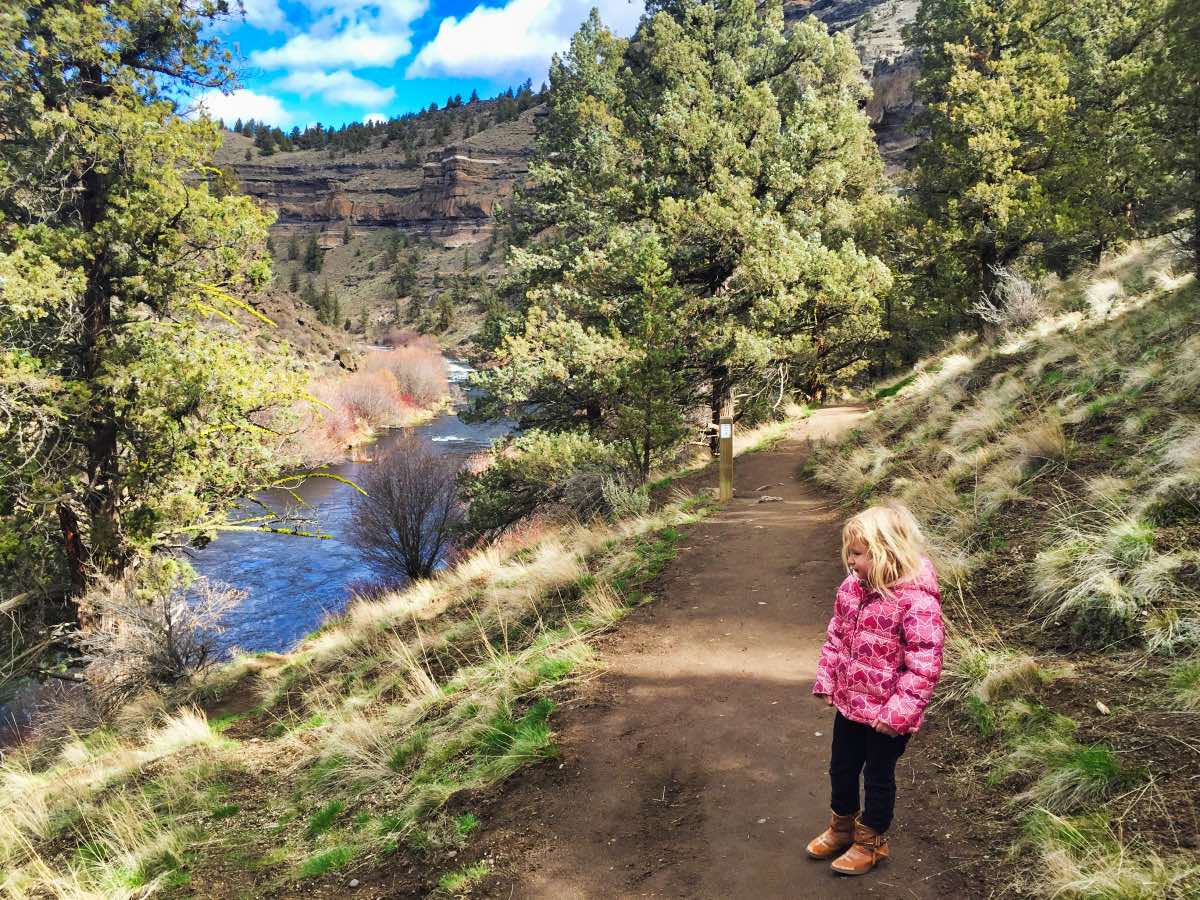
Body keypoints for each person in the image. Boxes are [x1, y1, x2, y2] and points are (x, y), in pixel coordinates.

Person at [807, 503, 944, 876]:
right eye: (849, 553)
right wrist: (827, 678)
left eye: (857, 554)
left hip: (888, 715)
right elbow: (836, 638)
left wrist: (898, 714)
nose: (850, 561)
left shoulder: (917, 602)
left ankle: (871, 841)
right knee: (842, 767)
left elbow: (924, 666)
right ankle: (842, 827)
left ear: (887, 552)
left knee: (878, 776)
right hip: (851, 704)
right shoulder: (852, 589)